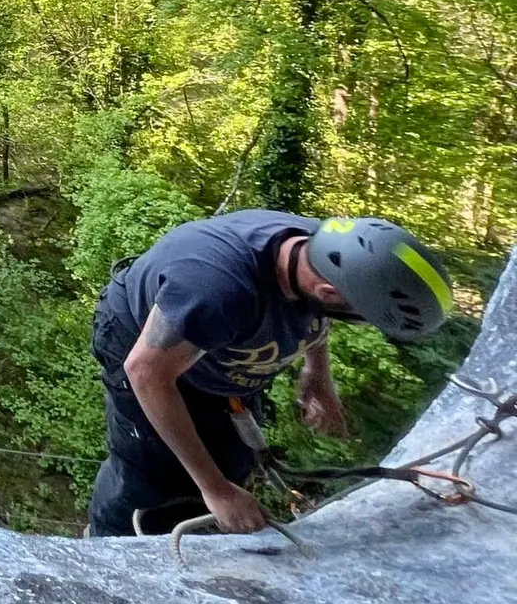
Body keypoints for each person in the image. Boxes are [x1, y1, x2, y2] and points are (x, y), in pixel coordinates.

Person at [87, 207, 453, 537]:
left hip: (220, 350)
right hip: (144, 350)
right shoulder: (217, 290)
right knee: (152, 476)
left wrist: (317, 373)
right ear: (328, 291)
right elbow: (146, 373)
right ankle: (110, 546)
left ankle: (205, 515)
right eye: (360, 316)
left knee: (233, 459)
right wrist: (216, 490)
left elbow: (316, 310)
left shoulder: (322, 248)